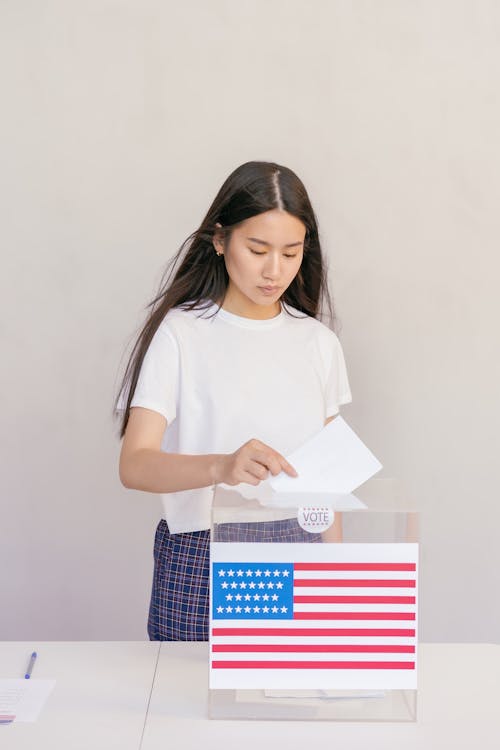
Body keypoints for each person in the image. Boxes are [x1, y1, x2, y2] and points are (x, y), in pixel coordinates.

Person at [114, 160, 352, 641]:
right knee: (182, 708)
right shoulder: (181, 333)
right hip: (202, 551)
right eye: (258, 249)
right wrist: (221, 467)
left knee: (285, 706)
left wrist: (338, 577)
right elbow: (134, 465)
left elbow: (328, 482)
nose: (275, 271)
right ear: (220, 240)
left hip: (296, 546)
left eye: (291, 253)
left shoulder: (318, 343)